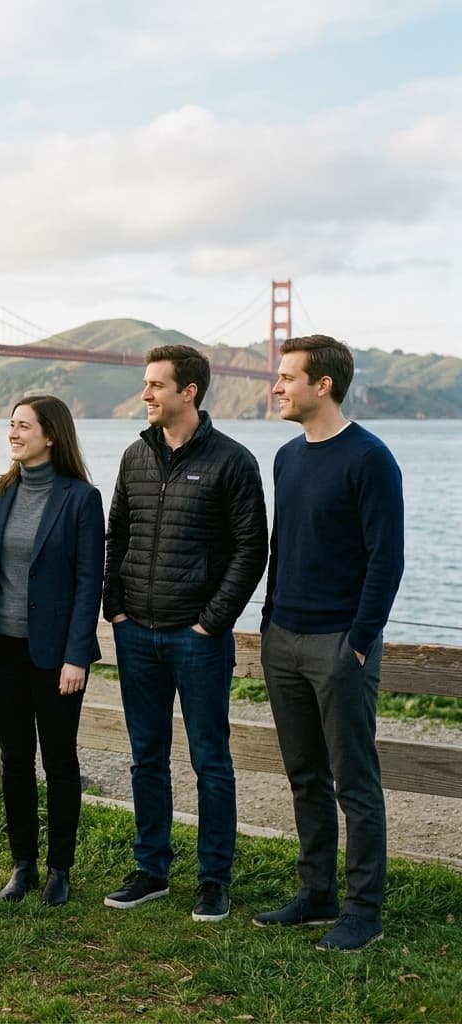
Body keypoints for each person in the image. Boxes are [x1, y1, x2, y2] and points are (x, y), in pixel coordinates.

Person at [102, 344, 267, 922]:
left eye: (154, 385)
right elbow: (115, 533)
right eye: (146, 385)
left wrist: (210, 622)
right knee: (146, 758)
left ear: (188, 392)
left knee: (210, 760)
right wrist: (114, 608)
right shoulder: (134, 456)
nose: (145, 394)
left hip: (196, 639)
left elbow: (252, 550)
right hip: (136, 634)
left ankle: (213, 879)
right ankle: (151, 869)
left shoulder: (232, 461)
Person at [253, 335, 404, 952]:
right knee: (304, 775)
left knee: (355, 783)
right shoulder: (286, 458)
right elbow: (283, 548)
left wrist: (360, 643)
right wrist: (268, 621)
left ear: (325, 385)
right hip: (283, 638)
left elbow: (385, 560)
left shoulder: (371, 458)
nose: (277, 387)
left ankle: (363, 910)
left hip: (340, 646)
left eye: (288, 377)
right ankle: (317, 894)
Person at [0, 396, 104, 906]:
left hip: (55, 656)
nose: (13, 434)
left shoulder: (81, 499)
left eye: (23, 426)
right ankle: (22, 866)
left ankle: (59, 870)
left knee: (60, 761)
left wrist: (77, 656)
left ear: (50, 436)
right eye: (11, 425)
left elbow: (89, 584)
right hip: (2, 649)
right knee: (16, 761)